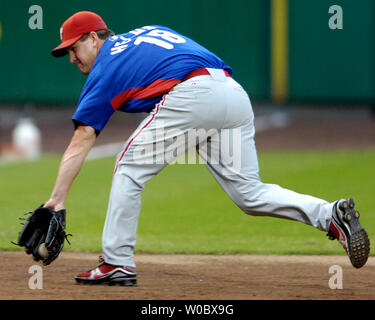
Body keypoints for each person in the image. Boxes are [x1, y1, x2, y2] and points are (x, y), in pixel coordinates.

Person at [47, 11, 370, 286]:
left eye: (74, 48)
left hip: (194, 94)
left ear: (93, 38)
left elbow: (83, 136)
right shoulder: (147, 32)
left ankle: (117, 262)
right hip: (230, 93)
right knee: (249, 193)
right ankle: (330, 214)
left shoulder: (108, 62)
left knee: (129, 167)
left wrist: (57, 200)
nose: (72, 58)